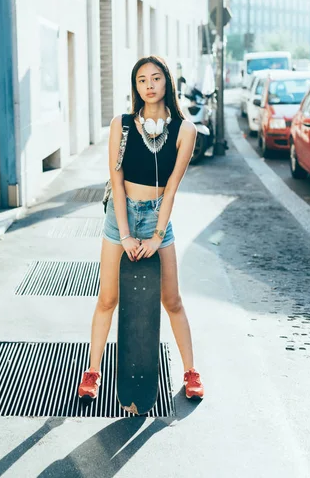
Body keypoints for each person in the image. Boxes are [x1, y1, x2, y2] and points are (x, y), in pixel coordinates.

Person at [78, 55, 204, 402]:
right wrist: (126, 233)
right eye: (142, 80)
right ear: (135, 87)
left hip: (157, 217)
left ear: (167, 82)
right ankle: (93, 371)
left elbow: (172, 187)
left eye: (156, 78)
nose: (149, 85)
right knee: (108, 298)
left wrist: (157, 235)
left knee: (172, 299)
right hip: (121, 217)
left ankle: (191, 372)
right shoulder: (121, 125)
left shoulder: (185, 131)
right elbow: (116, 182)